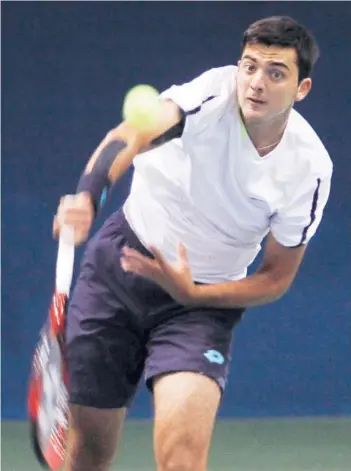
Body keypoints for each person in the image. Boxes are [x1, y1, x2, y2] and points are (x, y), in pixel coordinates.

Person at [54, 15, 332, 471]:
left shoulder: (310, 168)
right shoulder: (210, 94)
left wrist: (195, 295)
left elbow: (277, 275)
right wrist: (89, 193)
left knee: (182, 460)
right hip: (119, 270)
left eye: (275, 73)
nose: (255, 83)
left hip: (198, 308)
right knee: (88, 454)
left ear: (301, 88)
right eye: (249, 66)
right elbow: (133, 134)